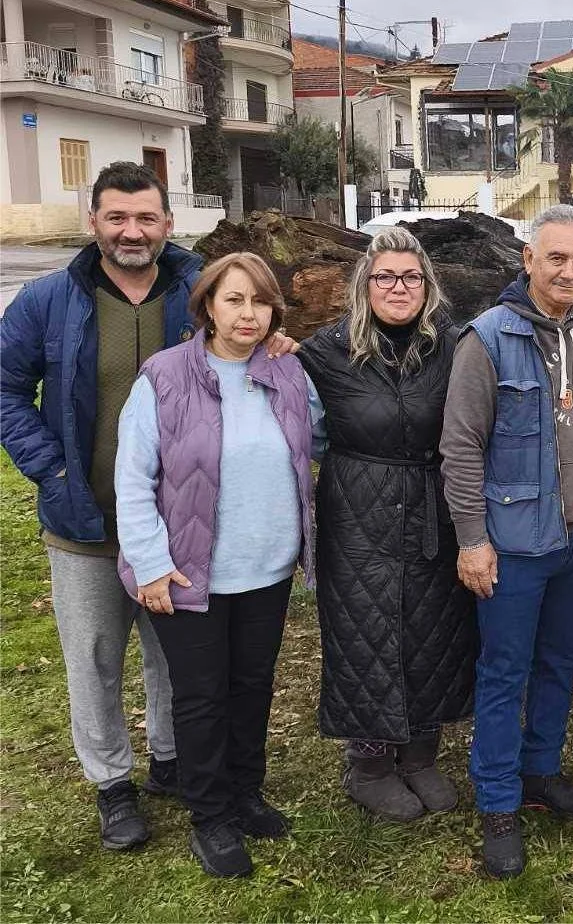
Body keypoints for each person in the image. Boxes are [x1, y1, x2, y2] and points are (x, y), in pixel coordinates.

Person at [0, 162, 291, 851]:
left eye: (146, 217)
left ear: (167, 222)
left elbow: (246, 343)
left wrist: (273, 341)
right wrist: (54, 470)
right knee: (97, 656)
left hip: (187, 524)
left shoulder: (199, 287)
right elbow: (6, 389)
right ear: (94, 221)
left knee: (178, 661)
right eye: (116, 217)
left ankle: (173, 764)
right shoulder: (48, 300)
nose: (132, 231)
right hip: (87, 518)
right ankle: (112, 785)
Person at [115, 253, 323, 878]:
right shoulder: (165, 376)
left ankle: (244, 793)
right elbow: (133, 477)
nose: (249, 314)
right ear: (207, 305)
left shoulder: (287, 372)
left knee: (252, 687)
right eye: (234, 300)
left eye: (260, 303)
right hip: (189, 572)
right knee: (202, 697)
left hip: (266, 566)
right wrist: (150, 564)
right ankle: (210, 817)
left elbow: (320, 434)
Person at [440, 205, 573, 878]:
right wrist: (471, 542)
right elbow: (459, 449)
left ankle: (540, 774)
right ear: (528, 259)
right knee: (503, 674)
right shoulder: (486, 339)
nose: (570, 271)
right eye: (557, 258)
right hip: (513, 544)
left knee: (558, 662)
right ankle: (497, 803)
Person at [298, 229, 477, 823]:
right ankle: (371, 764)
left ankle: (421, 754)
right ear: (364, 285)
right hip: (357, 510)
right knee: (365, 632)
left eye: (410, 278)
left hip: (432, 502)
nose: (398, 288)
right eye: (385, 277)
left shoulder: (452, 347)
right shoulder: (325, 352)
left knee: (432, 628)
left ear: (427, 286)